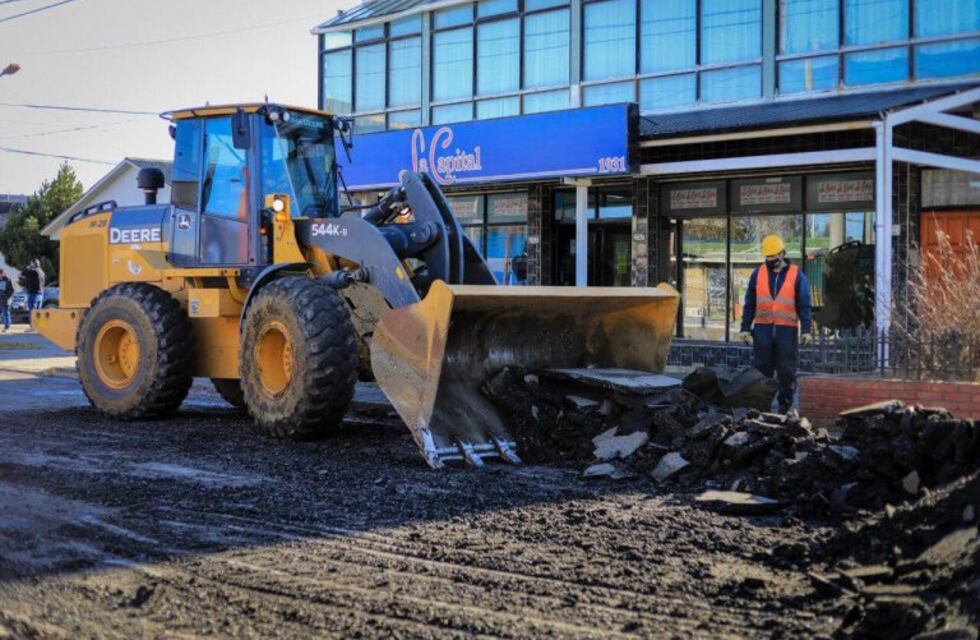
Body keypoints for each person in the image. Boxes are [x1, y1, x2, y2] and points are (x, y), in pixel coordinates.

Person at [738, 235, 813, 414]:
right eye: (767, 257)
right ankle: (761, 410)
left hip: (786, 332)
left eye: (773, 256)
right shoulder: (758, 274)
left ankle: (784, 408)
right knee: (761, 373)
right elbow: (750, 303)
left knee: (786, 373)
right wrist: (745, 328)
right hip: (762, 331)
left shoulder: (797, 275)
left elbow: (804, 303)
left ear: (782, 254)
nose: (770, 260)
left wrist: (807, 329)